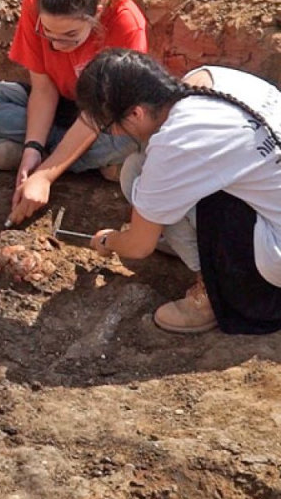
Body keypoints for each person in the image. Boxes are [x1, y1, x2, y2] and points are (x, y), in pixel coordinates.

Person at [77, 48, 281, 335]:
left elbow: (138, 246)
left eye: (111, 127)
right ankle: (196, 246)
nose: (116, 134)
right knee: (141, 171)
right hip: (270, 207)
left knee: (147, 180)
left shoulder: (176, 143)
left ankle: (212, 291)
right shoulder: (209, 78)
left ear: (135, 113)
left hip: (274, 258)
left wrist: (109, 241)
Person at [0, 0, 147, 225]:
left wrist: (44, 175)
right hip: (59, 105)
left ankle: (53, 157)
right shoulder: (34, 3)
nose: (57, 44)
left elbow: (98, 114)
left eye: (70, 35)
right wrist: (33, 146)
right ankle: (78, 160)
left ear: (97, 11)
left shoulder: (125, 22)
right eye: (49, 33)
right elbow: (43, 89)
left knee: (133, 138)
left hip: (103, 116)